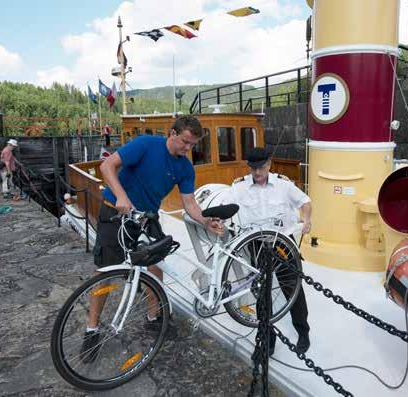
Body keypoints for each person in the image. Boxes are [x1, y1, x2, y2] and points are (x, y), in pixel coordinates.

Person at [81, 115, 224, 362]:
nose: (188, 149)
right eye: (185, 142)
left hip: (146, 217)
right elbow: (107, 166)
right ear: (172, 134)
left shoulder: (184, 167)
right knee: (105, 271)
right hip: (116, 212)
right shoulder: (146, 144)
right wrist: (122, 197)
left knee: (155, 265)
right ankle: (91, 330)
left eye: (193, 145)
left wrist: (206, 220)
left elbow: (189, 203)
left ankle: (153, 316)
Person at [229, 147, 312, 356]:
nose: (258, 173)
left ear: (269, 164)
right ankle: (266, 340)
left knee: (292, 287)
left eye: (262, 167)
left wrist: (307, 218)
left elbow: (305, 201)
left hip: (282, 242)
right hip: (257, 244)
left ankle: (303, 331)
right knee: (261, 292)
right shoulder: (239, 188)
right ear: (249, 167)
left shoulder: (284, 185)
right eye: (254, 168)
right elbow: (227, 206)